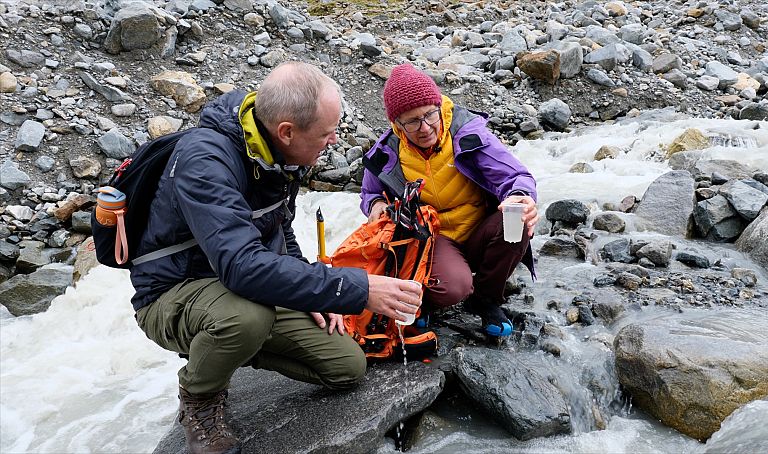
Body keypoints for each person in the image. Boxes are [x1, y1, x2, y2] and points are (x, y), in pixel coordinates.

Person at [129, 61, 421, 454]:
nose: (334, 141)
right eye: (326, 133)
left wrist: (317, 293)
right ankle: (199, 397)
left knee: (346, 368)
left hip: (238, 288)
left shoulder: (275, 150)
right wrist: (353, 287)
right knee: (246, 318)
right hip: (173, 292)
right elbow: (242, 266)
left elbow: (278, 230)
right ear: (287, 131)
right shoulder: (206, 162)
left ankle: (234, 346)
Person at [360, 63, 539, 338]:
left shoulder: (467, 133)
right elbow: (370, 195)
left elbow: (515, 176)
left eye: (430, 114)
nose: (425, 127)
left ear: (438, 106)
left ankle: (486, 298)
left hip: (479, 228)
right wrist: (376, 207)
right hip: (433, 239)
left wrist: (521, 197)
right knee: (452, 288)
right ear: (396, 125)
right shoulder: (385, 154)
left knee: (516, 220)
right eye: (412, 121)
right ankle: (427, 300)